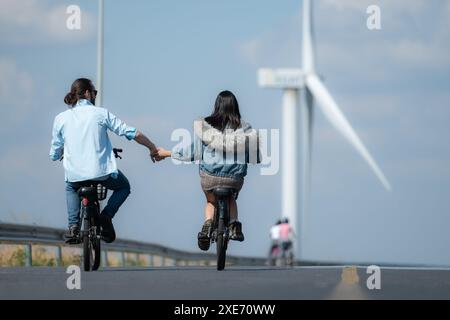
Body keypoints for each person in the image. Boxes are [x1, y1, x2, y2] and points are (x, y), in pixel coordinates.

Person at [49, 78, 160, 243]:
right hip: (101, 173)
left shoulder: (61, 118)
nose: (95, 95)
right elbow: (131, 132)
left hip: (75, 175)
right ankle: (106, 216)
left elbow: (54, 152)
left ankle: (73, 227)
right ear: (87, 93)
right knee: (124, 187)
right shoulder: (101, 113)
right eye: (94, 92)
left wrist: (58, 155)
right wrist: (152, 147)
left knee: (71, 187)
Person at [157, 90, 260, 251]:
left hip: (210, 177)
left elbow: (193, 153)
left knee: (211, 201)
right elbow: (255, 157)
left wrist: (167, 153)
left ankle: (207, 224)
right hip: (234, 178)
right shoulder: (245, 129)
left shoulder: (206, 128)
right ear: (235, 107)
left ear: (216, 106)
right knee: (232, 198)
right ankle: (234, 225)